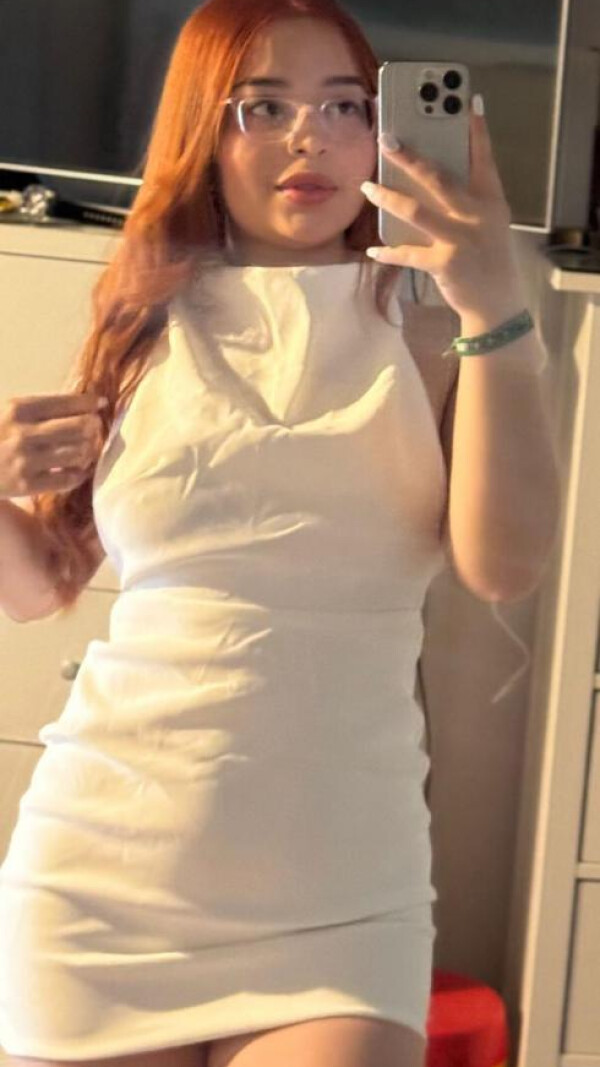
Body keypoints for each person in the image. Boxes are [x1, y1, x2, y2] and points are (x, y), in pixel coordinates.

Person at [0, 1, 561, 1066]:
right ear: (203, 134)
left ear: (383, 129)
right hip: (101, 877)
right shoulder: (144, 316)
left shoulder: (436, 317)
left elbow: (505, 563)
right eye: (264, 107)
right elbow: (38, 585)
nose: (311, 138)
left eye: (345, 107)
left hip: (343, 895)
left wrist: (495, 301)